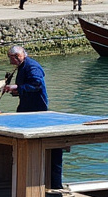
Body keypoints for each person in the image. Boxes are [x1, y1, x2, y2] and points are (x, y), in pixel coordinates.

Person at [4, 45, 63, 189]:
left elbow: (36, 84)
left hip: (36, 110)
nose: (11, 62)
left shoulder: (32, 67)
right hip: (25, 108)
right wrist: (17, 91)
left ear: (17, 56)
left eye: (12, 58)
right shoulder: (22, 66)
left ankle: (52, 183)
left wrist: (16, 88)